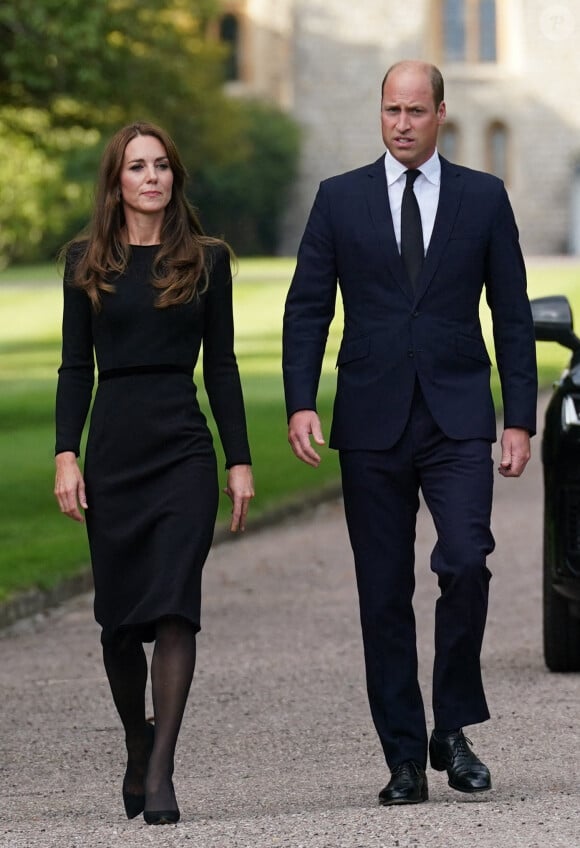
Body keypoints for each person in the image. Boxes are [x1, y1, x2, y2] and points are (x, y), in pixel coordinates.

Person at [282, 60, 537, 805]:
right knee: (383, 591)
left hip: (458, 416)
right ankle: (402, 757)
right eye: (391, 110)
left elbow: (513, 315)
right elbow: (307, 310)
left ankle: (451, 730)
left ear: (441, 114)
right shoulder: (338, 201)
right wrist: (302, 401)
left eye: (416, 111)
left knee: (465, 563)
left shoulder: (484, 198)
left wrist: (517, 417)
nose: (401, 123)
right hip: (370, 419)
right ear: (380, 113)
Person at [54, 121, 254, 825]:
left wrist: (238, 461)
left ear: (175, 178)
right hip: (113, 452)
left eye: (161, 166)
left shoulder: (207, 259)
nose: (151, 178)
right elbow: (76, 366)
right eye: (136, 167)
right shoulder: (85, 261)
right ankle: (135, 744)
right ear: (116, 181)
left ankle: (162, 768)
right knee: (117, 625)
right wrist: (65, 454)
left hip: (182, 453)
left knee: (175, 608)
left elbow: (223, 367)